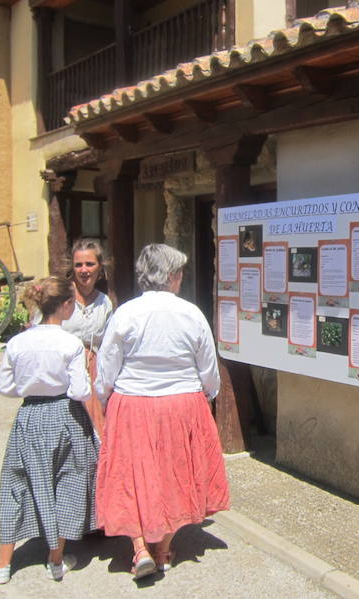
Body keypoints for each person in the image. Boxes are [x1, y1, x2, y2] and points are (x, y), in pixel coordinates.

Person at [95, 244, 228, 579]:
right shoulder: (191, 313)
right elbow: (208, 367)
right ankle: (164, 550)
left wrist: (104, 399)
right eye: (179, 272)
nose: (181, 277)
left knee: (132, 474)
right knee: (175, 474)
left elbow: (107, 367)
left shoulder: (125, 313)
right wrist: (209, 395)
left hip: (134, 402)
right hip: (182, 402)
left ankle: (140, 548)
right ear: (171, 276)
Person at [0, 277, 98, 584]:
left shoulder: (19, 342)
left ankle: (3, 565)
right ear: (66, 305)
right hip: (66, 415)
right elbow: (82, 392)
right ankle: (56, 561)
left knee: (17, 483)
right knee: (66, 482)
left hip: (30, 415)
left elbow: (4, 387)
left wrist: (31, 384)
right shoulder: (70, 343)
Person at [64, 239, 114, 439]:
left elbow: (109, 343)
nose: (84, 270)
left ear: (100, 267)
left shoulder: (104, 302)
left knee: (95, 427)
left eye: (90, 264)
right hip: (64, 369)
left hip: (93, 369)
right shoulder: (61, 296)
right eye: (79, 265)